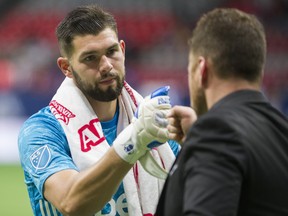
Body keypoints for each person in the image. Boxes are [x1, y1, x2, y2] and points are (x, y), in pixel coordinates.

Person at [18, 5, 179, 216]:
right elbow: (71, 202)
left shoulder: (152, 121)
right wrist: (132, 143)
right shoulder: (42, 131)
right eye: (90, 58)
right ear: (66, 68)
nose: (106, 66)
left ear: (122, 50)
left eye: (111, 52)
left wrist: (194, 139)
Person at [156, 8, 288, 216]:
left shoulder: (216, 131)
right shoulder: (281, 129)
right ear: (259, 70)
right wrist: (194, 139)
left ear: (201, 70)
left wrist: (203, 136)